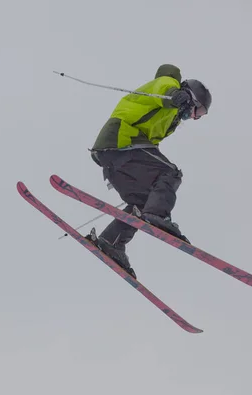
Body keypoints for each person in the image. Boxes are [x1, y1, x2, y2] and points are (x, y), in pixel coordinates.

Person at [87, 64, 212, 279]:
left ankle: (112, 242)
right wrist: (176, 94)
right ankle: (157, 215)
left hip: (114, 155)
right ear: (191, 96)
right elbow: (163, 90)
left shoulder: (170, 121)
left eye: (199, 116)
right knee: (171, 174)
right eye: (197, 110)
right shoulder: (168, 85)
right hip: (121, 140)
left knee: (143, 201)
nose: (194, 117)